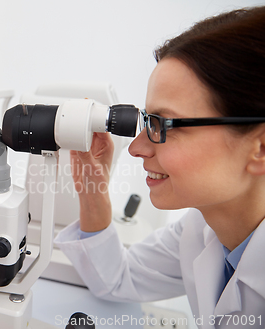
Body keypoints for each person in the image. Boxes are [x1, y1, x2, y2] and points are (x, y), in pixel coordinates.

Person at [55, 6, 265, 329]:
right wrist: (92, 190)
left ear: (260, 147)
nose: (137, 148)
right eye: (147, 120)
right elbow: (117, 278)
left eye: (164, 125)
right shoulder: (202, 230)